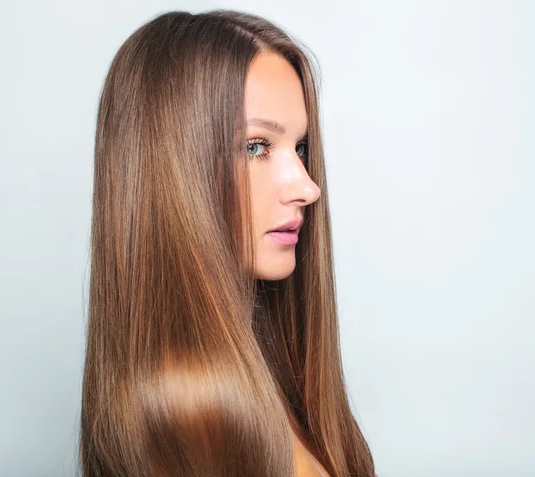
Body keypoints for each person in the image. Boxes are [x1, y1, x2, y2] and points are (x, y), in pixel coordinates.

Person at [79, 9, 376, 477]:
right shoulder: (194, 415)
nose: (307, 186)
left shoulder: (271, 380)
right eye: (257, 147)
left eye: (299, 148)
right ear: (171, 169)